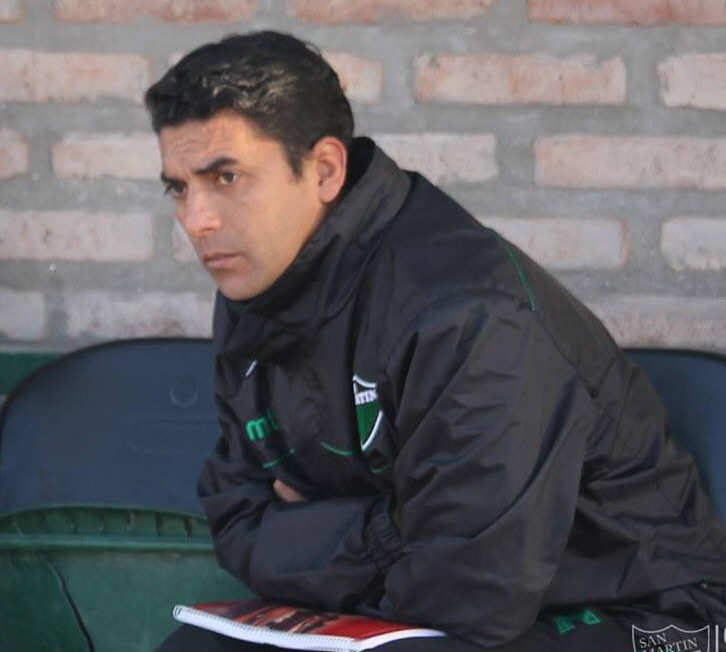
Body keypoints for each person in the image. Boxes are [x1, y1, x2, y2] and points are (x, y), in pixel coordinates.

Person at [145, 31, 726, 652]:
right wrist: (393, 529)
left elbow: (470, 591)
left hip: (644, 612)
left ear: (324, 171)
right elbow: (236, 516)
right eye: (179, 187)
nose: (196, 220)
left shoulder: (465, 310)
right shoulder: (255, 284)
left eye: (227, 177)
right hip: (439, 605)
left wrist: (331, 530)